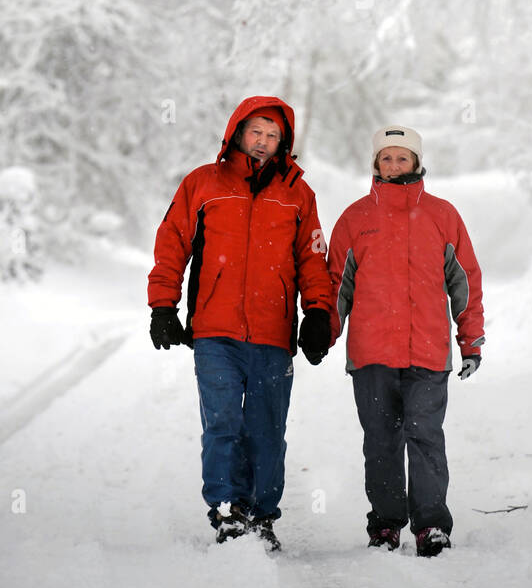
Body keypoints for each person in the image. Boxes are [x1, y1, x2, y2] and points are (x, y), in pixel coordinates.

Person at [148, 95, 334, 551]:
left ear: (283, 143)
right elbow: (173, 243)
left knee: (267, 430)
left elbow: (313, 259)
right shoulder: (203, 183)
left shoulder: (297, 194)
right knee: (223, 422)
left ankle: (261, 514)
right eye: (256, 132)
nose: (263, 143)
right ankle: (228, 509)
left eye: (273, 136)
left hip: (273, 333)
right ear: (236, 131)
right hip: (215, 331)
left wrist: (317, 312)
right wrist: (162, 305)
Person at [327, 125, 485, 556]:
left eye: (402, 158)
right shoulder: (355, 218)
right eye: (386, 158)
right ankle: (385, 525)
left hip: (428, 352)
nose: (394, 165)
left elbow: (464, 282)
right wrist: (325, 331)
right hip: (372, 352)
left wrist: (470, 338)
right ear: (375, 164)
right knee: (380, 440)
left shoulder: (443, 215)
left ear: (417, 163)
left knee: (426, 436)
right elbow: (334, 286)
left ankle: (431, 526)